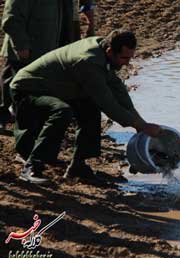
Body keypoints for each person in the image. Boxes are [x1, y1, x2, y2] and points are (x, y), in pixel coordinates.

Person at [10, 29, 162, 184]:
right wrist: (141, 125)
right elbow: (108, 104)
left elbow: (118, 90)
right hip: (29, 89)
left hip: (62, 88)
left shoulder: (103, 50)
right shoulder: (88, 62)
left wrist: (140, 123)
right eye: (124, 58)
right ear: (110, 51)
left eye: (130, 58)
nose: (127, 63)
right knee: (61, 111)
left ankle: (78, 167)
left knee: (90, 110)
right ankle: (32, 166)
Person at [0, 0, 75, 131]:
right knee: (12, 85)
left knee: (31, 90)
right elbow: (11, 19)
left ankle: (26, 121)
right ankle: (5, 117)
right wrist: (21, 45)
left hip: (46, 49)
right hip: (25, 52)